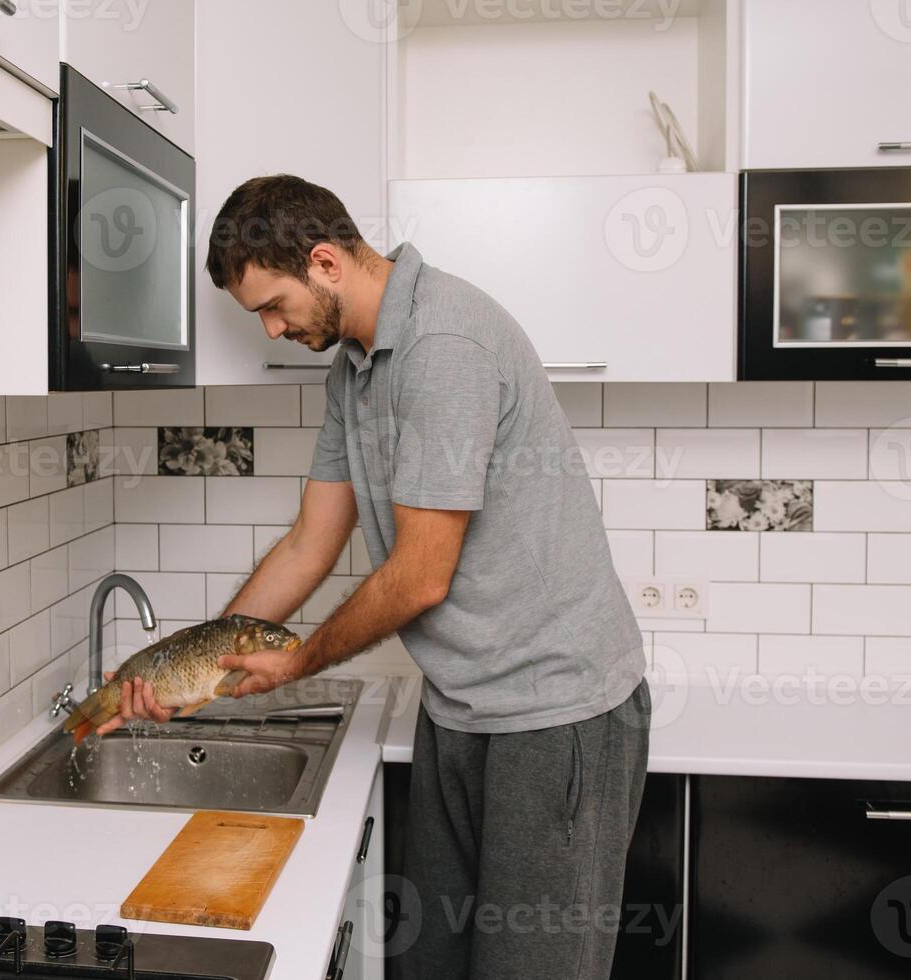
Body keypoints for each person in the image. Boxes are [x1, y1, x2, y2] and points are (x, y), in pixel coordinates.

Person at [97, 174, 651, 979]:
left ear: (325, 261)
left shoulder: (442, 347)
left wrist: (297, 659)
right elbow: (308, 544)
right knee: (434, 961)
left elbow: (421, 576)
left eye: (272, 306)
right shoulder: (355, 368)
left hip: (554, 711)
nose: (273, 328)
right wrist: (183, 670)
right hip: (460, 706)